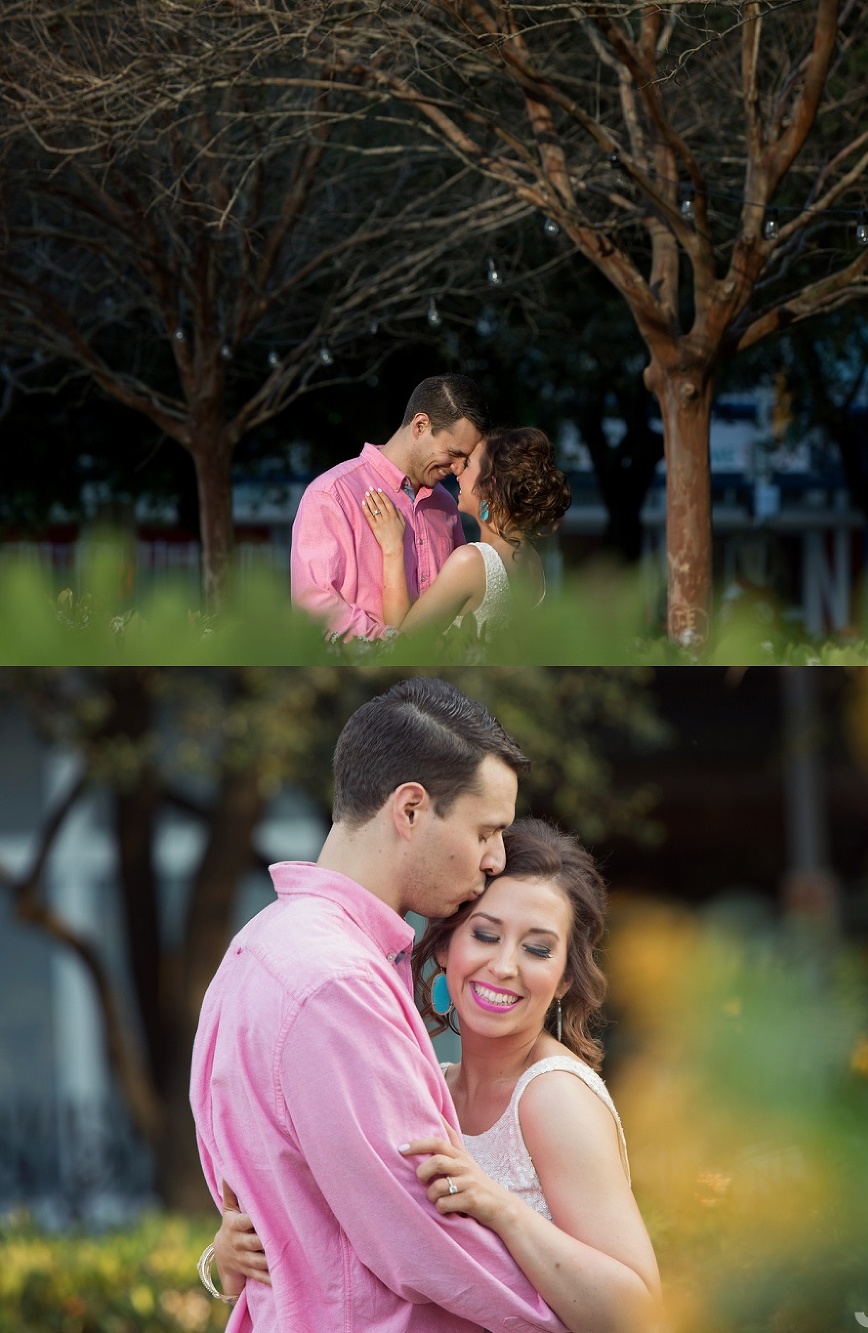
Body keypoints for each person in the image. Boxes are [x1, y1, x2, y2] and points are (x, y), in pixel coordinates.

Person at [190, 676, 568, 1332]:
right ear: (412, 809)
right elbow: (425, 1235)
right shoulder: (334, 982)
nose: (495, 859)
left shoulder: (254, 951)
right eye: (486, 830)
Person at [212, 819, 663, 1333]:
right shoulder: (430, 1083)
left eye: (537, 949)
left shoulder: (553, 1095)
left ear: (564, 979)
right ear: (447, 948)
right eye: (486, 935)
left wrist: (503, 1210)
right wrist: (231, 1257)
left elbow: (640, 1316)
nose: (504, 966)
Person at [290, 374, 488, 641]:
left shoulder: (446, 505)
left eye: (465, 459)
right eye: (453, 454)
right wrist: (388, 645)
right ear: (420, 425)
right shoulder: (332, 494)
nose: (458, 469)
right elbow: (313, 604)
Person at [361, 426, 571, 646]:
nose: (457, 470)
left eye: (468, 463)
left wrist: (393, 547)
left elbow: (402, 646)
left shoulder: (472, 562)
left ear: (489, 486)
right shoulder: (532, 559)